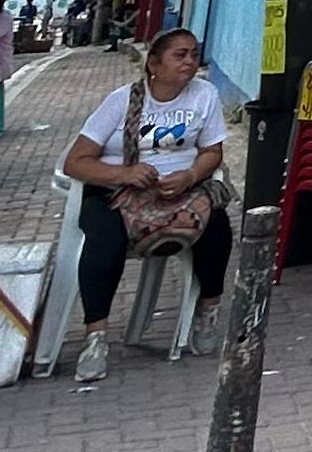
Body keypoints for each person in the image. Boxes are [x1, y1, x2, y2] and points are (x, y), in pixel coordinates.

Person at [63, 27, 234, 385]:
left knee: (215, 225)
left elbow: (212, 152)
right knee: (104, 239)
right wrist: (124, 173)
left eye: (193, 53)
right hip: (118, 192)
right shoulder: (122, 101)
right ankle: (96, 336)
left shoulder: (204, 95)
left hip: (180, 190)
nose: (189, 61)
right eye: (179, 55)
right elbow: (75, 162)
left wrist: (189, 177)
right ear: (154, 63)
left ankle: (208, 308)